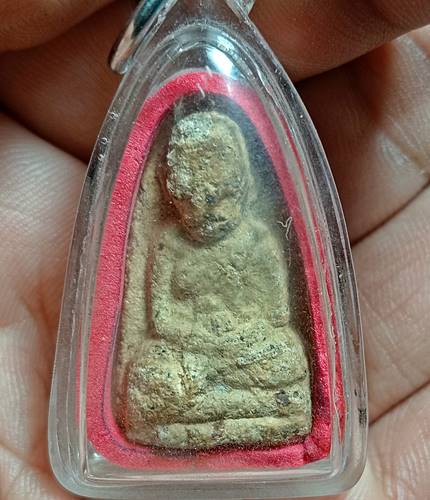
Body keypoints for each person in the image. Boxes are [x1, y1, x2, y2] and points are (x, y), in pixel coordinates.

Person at [0, 1, 429, 498]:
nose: (209, 213)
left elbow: (275, 314)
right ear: (173, 198)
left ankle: (220, 418)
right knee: (148, 378)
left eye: (220, 197)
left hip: (243, 352)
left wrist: (237, 336)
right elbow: (159, 317)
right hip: (190, 354)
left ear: (243, 188)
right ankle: (228, 417)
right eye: (193, 201)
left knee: (287, 359)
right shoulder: (168, 243)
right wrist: (199, 336)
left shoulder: (259, 239)